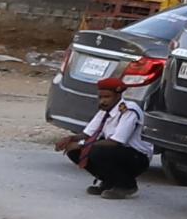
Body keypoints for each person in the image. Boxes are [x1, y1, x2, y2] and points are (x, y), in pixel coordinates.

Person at [65, 55, 154, 199]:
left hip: (136, 157)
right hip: (117, 152)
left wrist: (82, 144)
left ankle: (126, 185)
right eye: (100, 97)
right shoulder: (104, 110)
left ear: (118, 96)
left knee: (97, 150)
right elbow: (88, 134)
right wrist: (70, 139)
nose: (102, 101)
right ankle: (109, 182)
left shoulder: (128, 110)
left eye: (107, 97)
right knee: (74, 151)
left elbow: (116, 142)